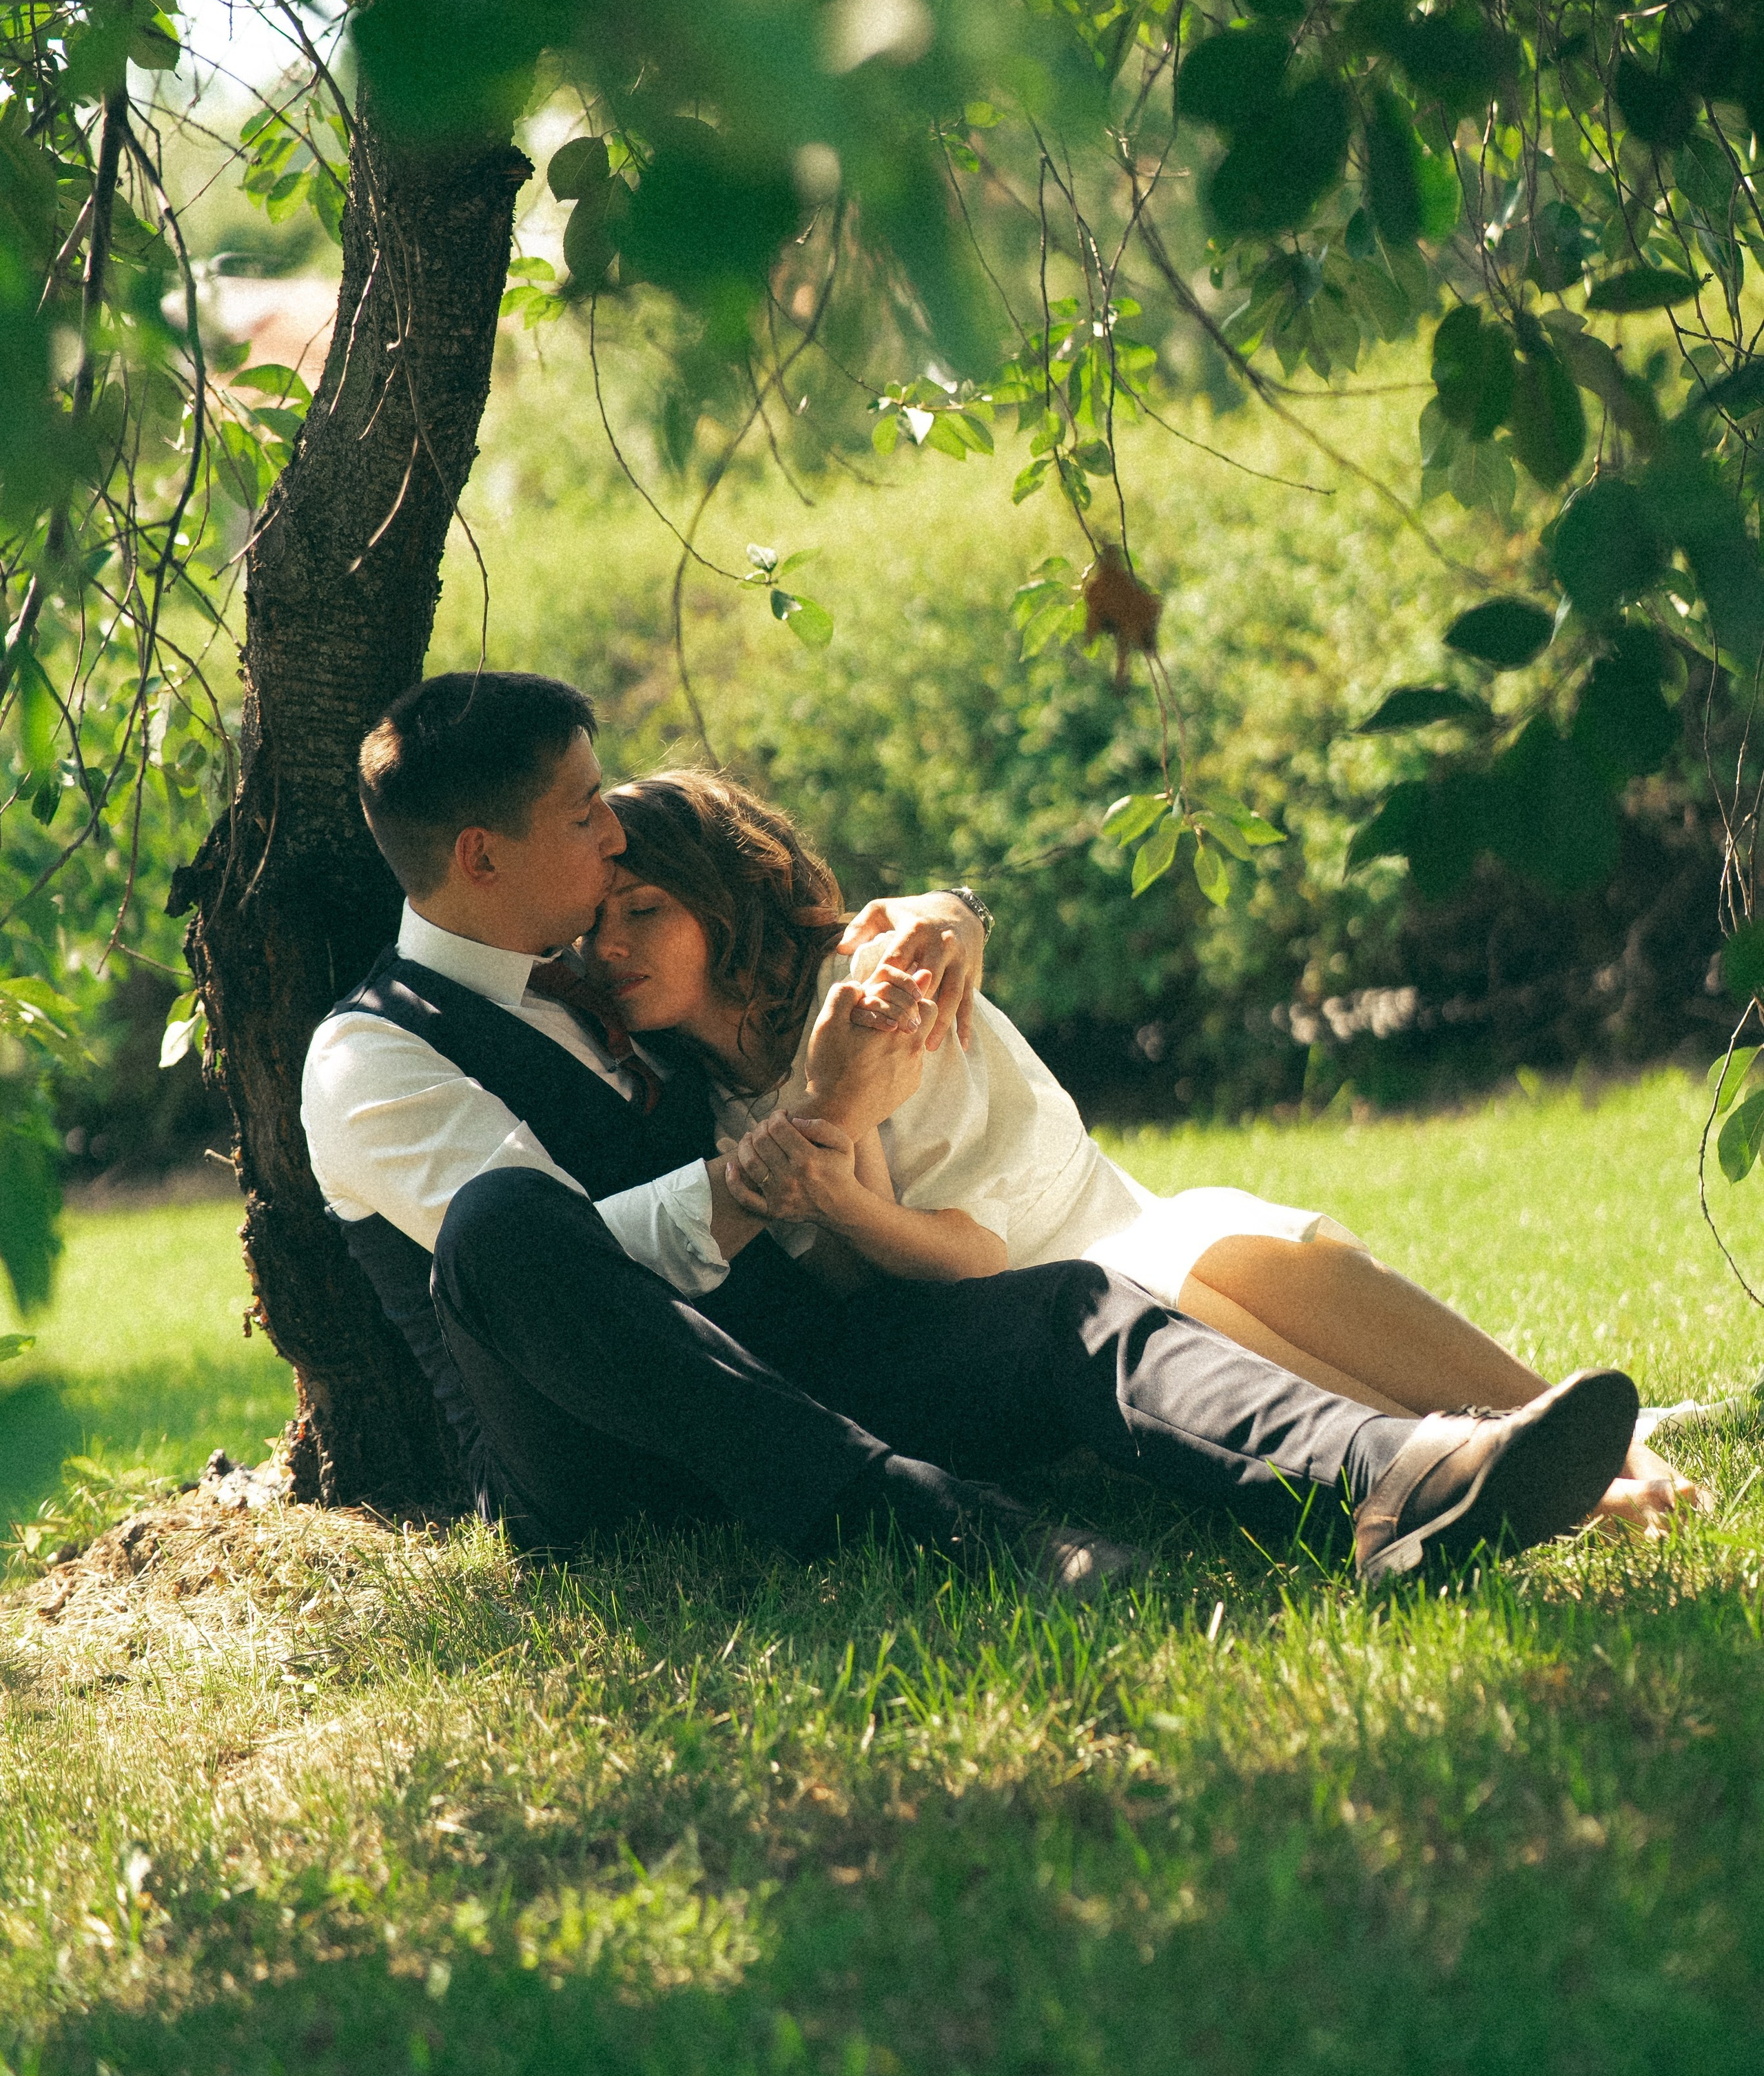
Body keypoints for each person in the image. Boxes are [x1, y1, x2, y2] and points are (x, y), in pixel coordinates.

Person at [301, 669, 1640, 1598]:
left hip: (804, 1360)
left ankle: (1398, 1480)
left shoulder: (602, 977)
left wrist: (948, 916)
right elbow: (557, 1278)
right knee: (499, 1222)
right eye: (583, 813)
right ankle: (943, 1525)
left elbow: (788, 958)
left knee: (1067, 1306)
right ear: (480, 857)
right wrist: (764, 1169)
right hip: (609, 1453)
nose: (612, 836)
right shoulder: (372, 1057)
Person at [592, 767, 1691, 1534]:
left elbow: (975, 1234)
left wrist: (951, 918)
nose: (611, 948)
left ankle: (1598, 1438)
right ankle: (1534, 1482)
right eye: (599, 924)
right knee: (1183, 1293)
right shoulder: (719, 1119)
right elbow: (915, 1287)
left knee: (1226, 1250)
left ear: (726, 901)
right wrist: (838, 1176)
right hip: (1032, 1326)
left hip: (1086, 1228)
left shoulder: (879, 979)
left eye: (642, 912)